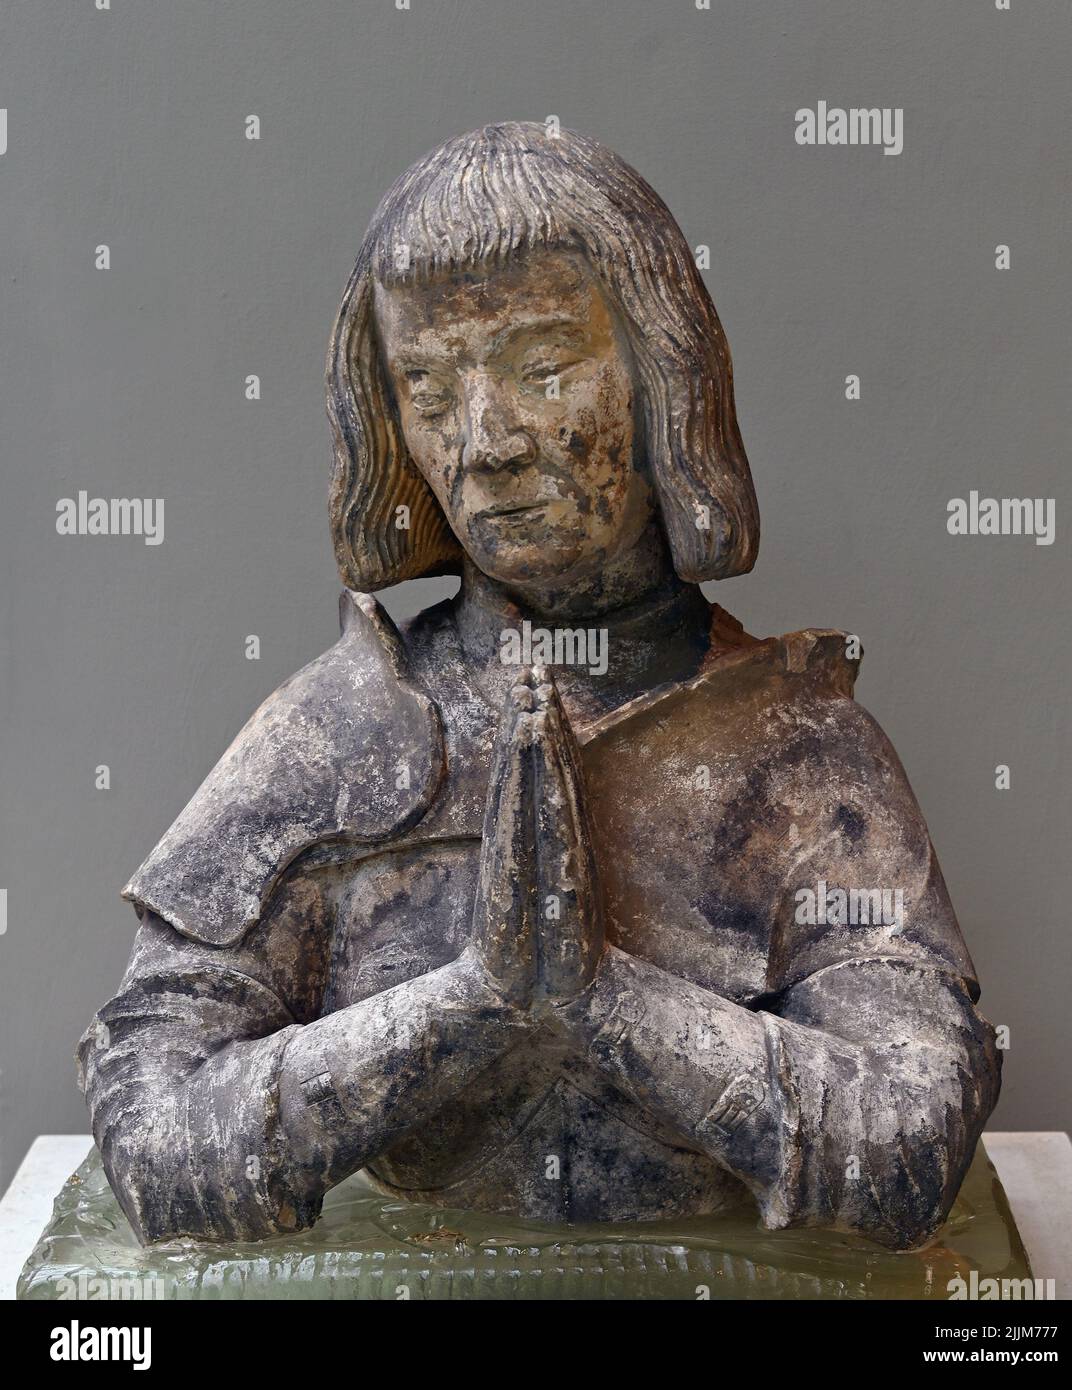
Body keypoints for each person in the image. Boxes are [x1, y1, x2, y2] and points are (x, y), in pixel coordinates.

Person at [79, 123, 1000, 1249]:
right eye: (424, 383)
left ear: (662, 378)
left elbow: (909, 1147)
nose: (482, 443)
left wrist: (606, 1001)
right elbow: (154, 1138)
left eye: (542, 369)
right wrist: (472, 1001)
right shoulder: (340, 734)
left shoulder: (796, 750)